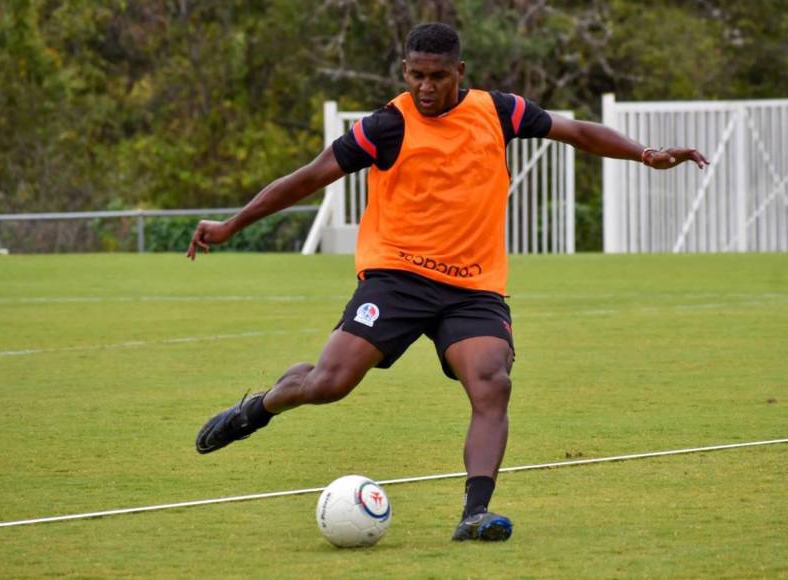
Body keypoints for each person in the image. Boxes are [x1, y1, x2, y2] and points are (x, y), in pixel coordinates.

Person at [186, 22, 708, 542]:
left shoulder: (498, 111)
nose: (427, 87)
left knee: (492, 382)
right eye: (417, 76)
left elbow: (576, 131)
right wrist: (232, 224)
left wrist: (645, 153)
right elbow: (308, 175)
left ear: (460, 72)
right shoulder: (386, 126)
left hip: (473, 286)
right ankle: (259, 407)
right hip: (397, 276)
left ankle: (475, 514)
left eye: (438, 76)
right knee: (329, 384)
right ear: (405, 72)